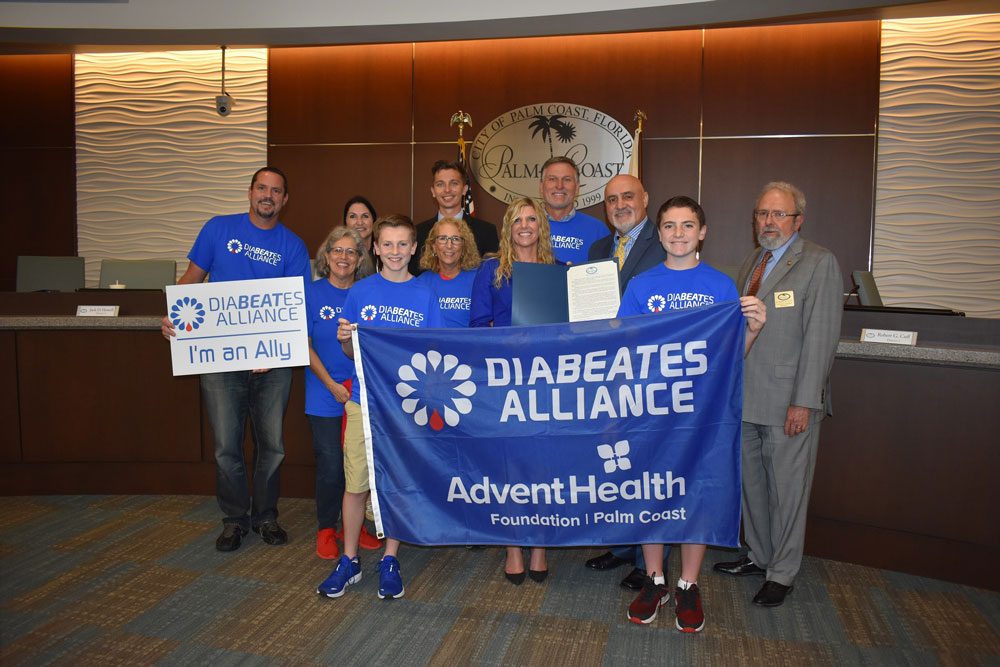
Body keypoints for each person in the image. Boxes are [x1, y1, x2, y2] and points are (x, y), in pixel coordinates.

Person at [617, 196, 766, 631]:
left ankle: (687, 584)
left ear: (702, 232)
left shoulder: (721, 286)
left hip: (701, 413)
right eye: (669, 225)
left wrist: (752, 331)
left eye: (687, 225)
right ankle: (655, 578)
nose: (678, 233)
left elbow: (729, 360)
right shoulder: (641, 285)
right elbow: (624, 349)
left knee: (695, 493)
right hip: (651, 409)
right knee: (651, 490)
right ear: (658, 232)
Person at [161, 166, 310, 552]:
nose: (268, 196)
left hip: (271, 365)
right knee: (226, 445)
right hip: (220, 362)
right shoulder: (217, 229)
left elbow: (295, 311)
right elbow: (192, 279)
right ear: (250, 192)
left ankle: (265, 515)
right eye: (262, 188)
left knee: (272, 446)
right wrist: (175, 315)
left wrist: (268, 349)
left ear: (285, 200)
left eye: (276, 191)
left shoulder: (293, 246)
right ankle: (233, 519)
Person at [713, 182, 843, 608]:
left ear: (798, 221)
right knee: (752, 485)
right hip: (746, 396)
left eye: (778, 214)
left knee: (788, 490)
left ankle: (783, 572)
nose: (768, 221)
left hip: (790, 400)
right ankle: (760, 555)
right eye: (762, 214)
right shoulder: (753, 261)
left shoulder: (819, 262)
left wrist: (805, 401)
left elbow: (821, 339)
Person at [317, 214, 441, 600]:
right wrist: (343, 340)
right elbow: (351, 352)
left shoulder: (425, 295)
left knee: (398, 483)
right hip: (363, 402)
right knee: (355, 484)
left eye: (403, 244)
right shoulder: (361, 292)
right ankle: (350, 559)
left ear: (415, 248)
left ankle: (390, 557)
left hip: (404, 407)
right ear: (375, 247)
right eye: (387, 244)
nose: (395, 252)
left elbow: (433, 353)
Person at [584, 173, 668, 590]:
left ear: (646, 199)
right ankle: (621, 545)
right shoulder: (599, 248)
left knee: (647, 463)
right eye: (612, 199)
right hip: (605, 372)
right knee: (613, 458)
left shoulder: (664, 243)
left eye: (628, 197)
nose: (620, 205)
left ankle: (647, 558)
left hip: (646, 369)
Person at [469, 196, 553, 583]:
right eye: (517, 219)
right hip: (503, 381)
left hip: (547, 380)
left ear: (542, 226)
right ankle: (513, 546)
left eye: (531, 218)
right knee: (508, 466)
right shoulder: (490, 270)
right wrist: (510, 340)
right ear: (507, 227)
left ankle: (539, 545)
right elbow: (477, 325)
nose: (524, 225)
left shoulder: (558, 271)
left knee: (542, 464)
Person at [305, 226, 381, 559]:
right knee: (331, 465)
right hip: (325, 391)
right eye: (338, 250)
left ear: (361, 258)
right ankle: (325, 528)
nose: (344, 257)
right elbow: (303, 345)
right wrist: (332, 385)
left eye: (352, 252)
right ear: (326, 255)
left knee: (360, 464)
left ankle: (355, 526)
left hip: (362, 391)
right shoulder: (310, 292)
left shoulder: (368, 292)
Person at [410, 160, 499, 275]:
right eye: (440, 184)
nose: (447, 190)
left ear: (464, 189)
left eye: (454, 183)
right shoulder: (418, 232)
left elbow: (492, 276)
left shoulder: (487, 231)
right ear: (433, 191)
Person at [539, 156, 608, 264]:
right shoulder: (524, 228)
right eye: (552, 179)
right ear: (541, 187)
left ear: (577, 188)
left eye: (567, 179)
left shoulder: (598, 230)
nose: (559, 186)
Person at [416, 217, 482, 328]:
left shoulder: (478, 279)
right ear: (433, 247)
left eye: (456, 239)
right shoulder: (422, 282)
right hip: (433, 344)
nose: (449, 245)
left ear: (464, 247)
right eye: (442, 238)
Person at [343, 195, 378, 278]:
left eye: (365, 216)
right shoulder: (337, 255)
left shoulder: (385, 253)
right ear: (345, 222)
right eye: (353, 216)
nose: (359, 222)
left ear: (374, 220)